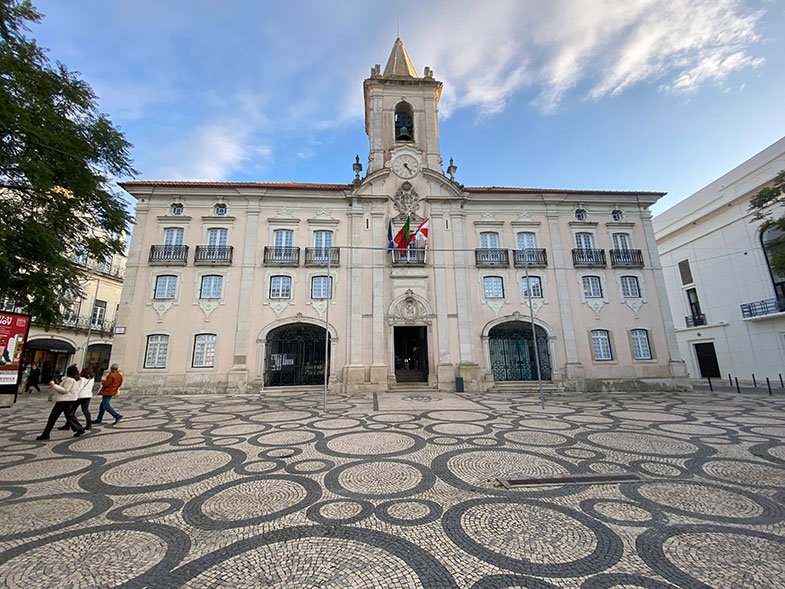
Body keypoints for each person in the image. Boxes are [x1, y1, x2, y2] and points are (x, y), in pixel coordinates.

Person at [36, 365, 85, 440]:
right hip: (71, 400)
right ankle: (79, 429)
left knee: (53, 417)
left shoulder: (69, 380)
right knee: (70, 416)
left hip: (64, 400)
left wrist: (54, 385)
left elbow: (65, 390)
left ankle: (46, 434)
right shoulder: (76, 379)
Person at [58, 366, 93, 431]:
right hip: (88, 396)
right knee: (85, 410)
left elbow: (79, 387)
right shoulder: (92, 379)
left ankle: (68, 425)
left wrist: (75, 394)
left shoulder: (82, 379)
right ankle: (89, 424)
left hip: (80, 396)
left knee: (71, 411)